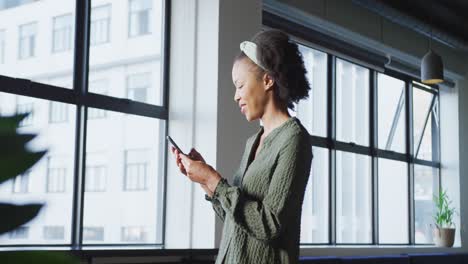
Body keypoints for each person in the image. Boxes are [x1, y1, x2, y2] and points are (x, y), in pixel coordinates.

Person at [171, 29, 313, 264]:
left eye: (240, 85)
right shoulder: (253, 142)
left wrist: (214, 181)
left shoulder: (294, 139)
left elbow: (269, 225)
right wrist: (206, 182)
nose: (236, 96)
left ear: (267, 80)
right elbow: (236, 219)